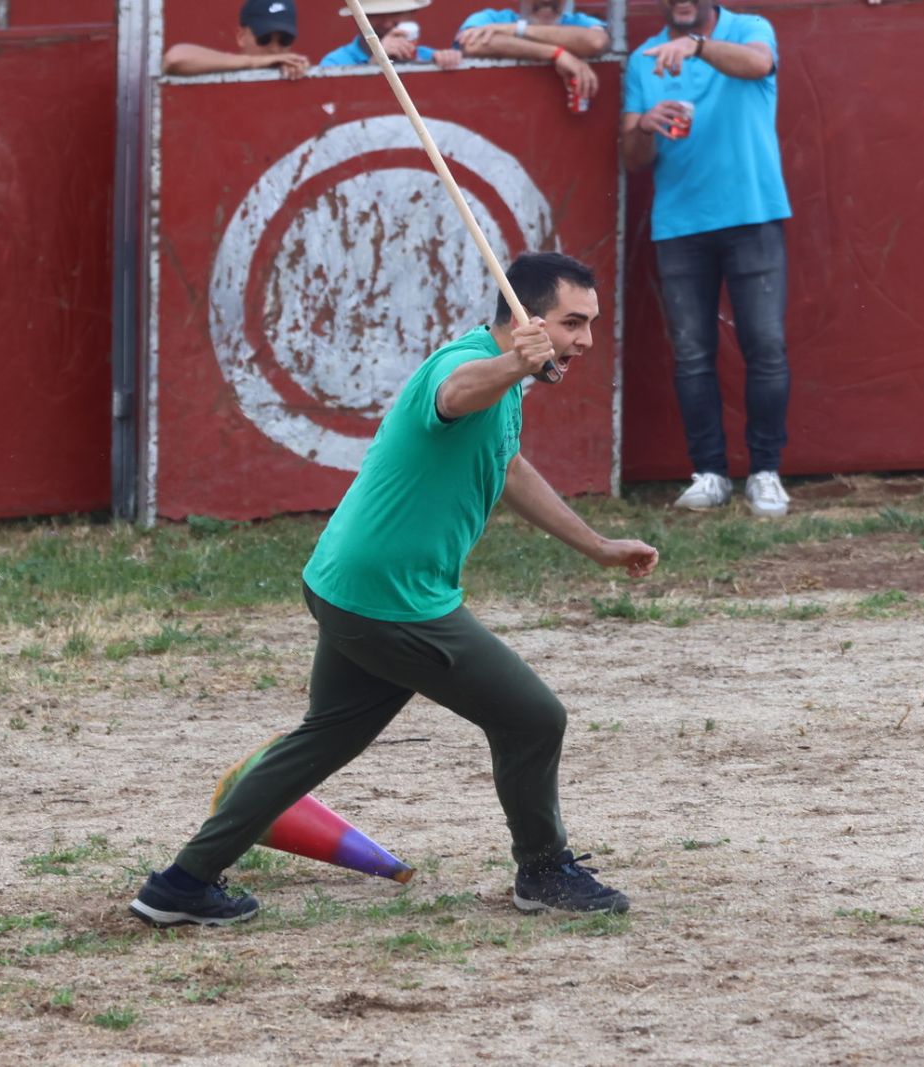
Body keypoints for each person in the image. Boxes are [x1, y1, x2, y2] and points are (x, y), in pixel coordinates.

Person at [128, 252, 661, 928]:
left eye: (589, 325)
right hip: (390, 600)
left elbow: (509, 466)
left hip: (347, 584)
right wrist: (511, 366)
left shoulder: (508, 386)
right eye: (572, 324)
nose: (584, 340)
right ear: (524, 322)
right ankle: (544, 870)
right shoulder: (470, 367)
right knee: (532, 717)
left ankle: (181, 883)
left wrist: (598, 545)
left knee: (325, 735)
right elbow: (455, 393)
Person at [621, 1, 793, 517]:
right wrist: (644, 126)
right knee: (692, 354)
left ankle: (765, 471)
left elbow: (759, 65)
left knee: (765, 345)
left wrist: (695, 47)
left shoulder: (750, 29)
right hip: (680, 224)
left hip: (753, 213)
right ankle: (711, 473)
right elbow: (633, 159)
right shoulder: (642, 59)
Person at [454, 1, 608, 104]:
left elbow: (596, 41)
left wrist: (516, 29)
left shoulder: (578, 22)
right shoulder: (491, 18)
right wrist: (555, 53)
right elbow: (470, 44)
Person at [163, 0, 310, 80]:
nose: (274, 49)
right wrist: (254, 63)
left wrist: (300, 72)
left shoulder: (295, 74)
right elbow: (175, 59)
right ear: (241, 37)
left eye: (284, 40)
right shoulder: (217, 68)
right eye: (264, 39)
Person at [320, 0, 463, 71]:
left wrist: (450, 63)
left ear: (411, 14)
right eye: (377, 15)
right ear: (357, 18)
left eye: (396, 13)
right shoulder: (334, 64)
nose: (387, 24)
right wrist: (377, 61)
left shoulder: (429, 57)